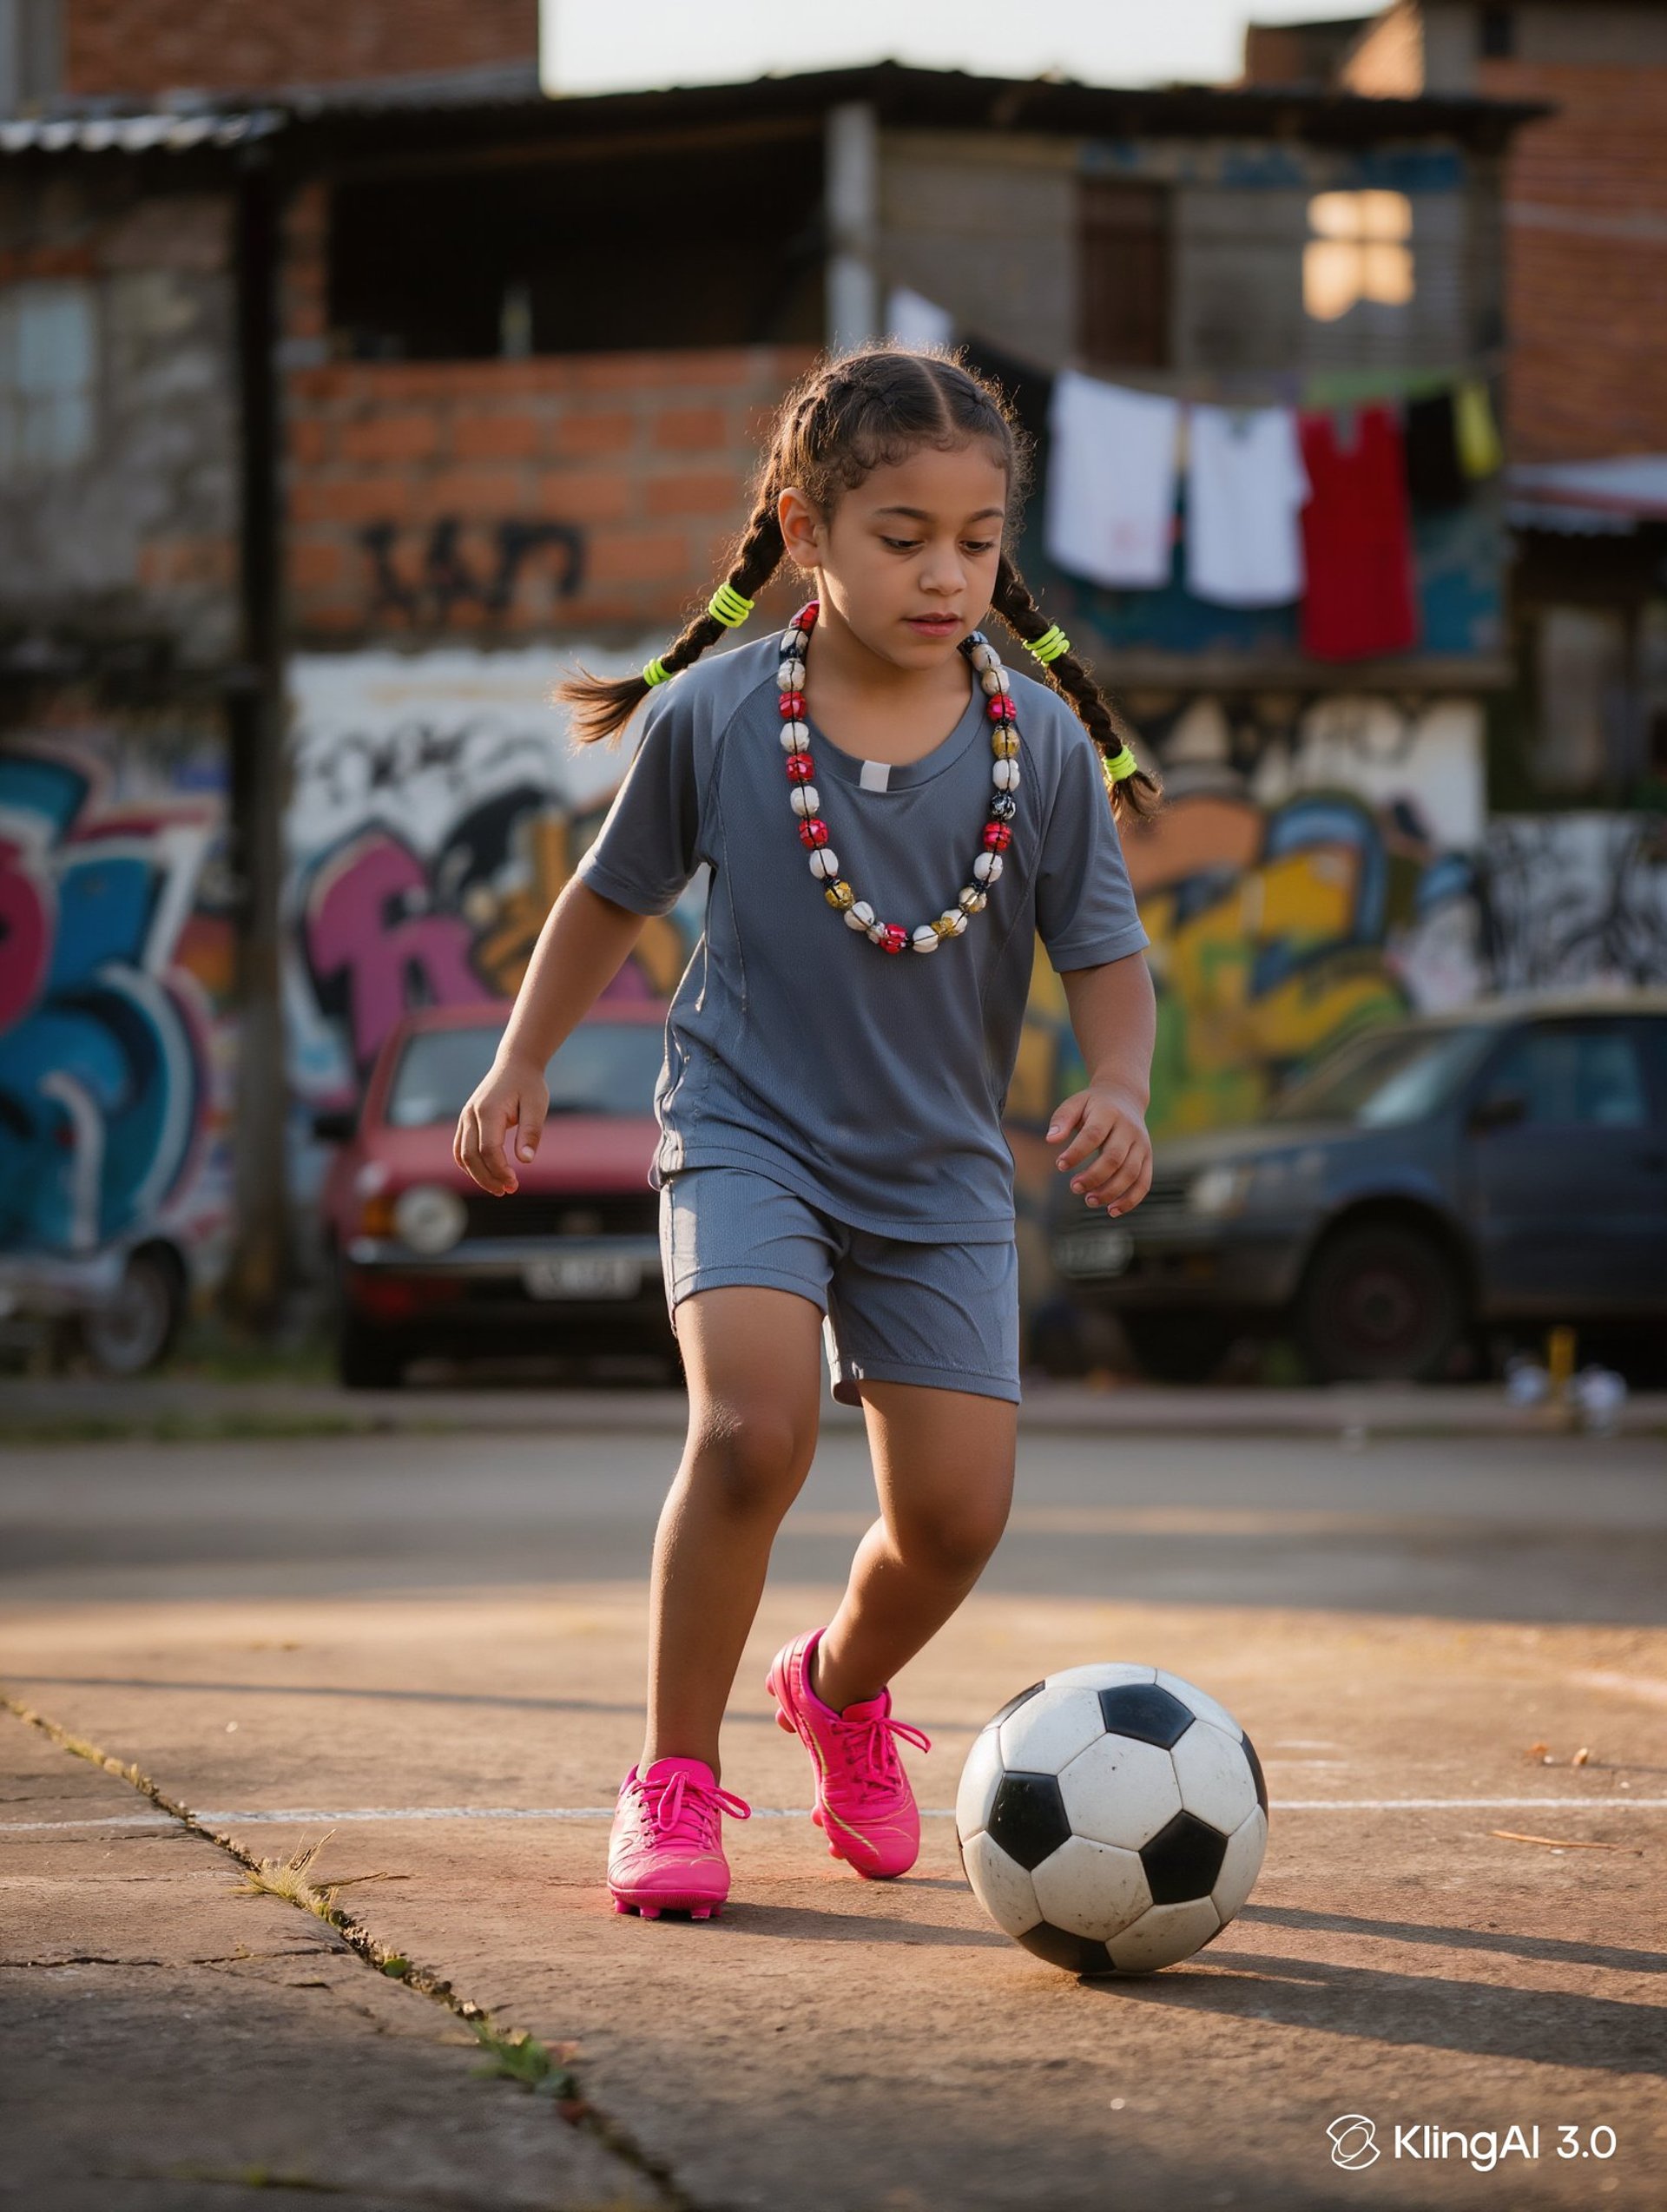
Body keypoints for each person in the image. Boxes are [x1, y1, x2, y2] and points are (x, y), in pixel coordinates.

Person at [454, 348, 1159, 1922]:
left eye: (977, 540)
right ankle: (673, 1778)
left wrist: (1118, 1088)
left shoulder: (1037, 746)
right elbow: (604, 904)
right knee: (750, 1432)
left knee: (959, 1517)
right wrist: (517, 1066)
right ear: (806, 530)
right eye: (903, 534)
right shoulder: (718, 715)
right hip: (746, 1129)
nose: (945, 572)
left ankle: (837, 1689)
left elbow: (1109, 960)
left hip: (940, 1173)